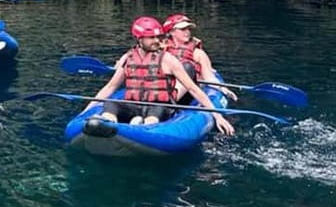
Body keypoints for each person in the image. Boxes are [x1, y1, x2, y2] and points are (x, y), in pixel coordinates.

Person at [85, 16, 235, 135]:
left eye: (158, 37)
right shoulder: (128, 58)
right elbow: (110, 87)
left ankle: (144, 128)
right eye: (151, 38)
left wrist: (218, 116)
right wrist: (85, 112)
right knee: (111, 103)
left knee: (157, 109)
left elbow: (193, 89)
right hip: (134, 105)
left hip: (159, 106)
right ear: (140, 39)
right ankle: (107, 124)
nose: (156, 41)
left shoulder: (168, 60)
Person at [162, 13, 238, 103]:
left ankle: (170, 101)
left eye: (188, 29)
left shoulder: (198, 53)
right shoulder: (160, 48)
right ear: (171, 32)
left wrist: (223, 88)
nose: (187, 32)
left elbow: (209, 77)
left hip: (188, 93)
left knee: (187, 67)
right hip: (163, 89)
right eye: (183, 29)